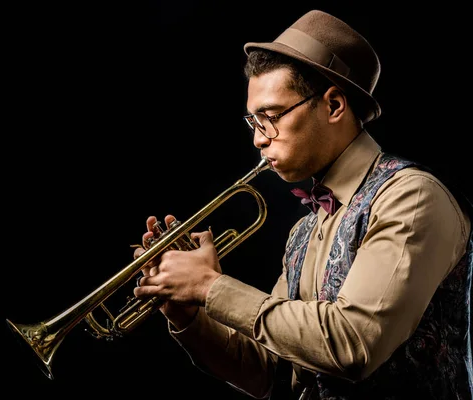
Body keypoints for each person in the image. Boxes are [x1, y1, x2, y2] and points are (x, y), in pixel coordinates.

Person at [132, 9, 473, 400]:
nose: (259, 139)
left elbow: (353, 346)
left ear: (333, 106)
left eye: (271, 117)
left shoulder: (411, 198)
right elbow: (267, 371)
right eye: (253, 122)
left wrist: (211, 286)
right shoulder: (305, 229)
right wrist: (188, 312)